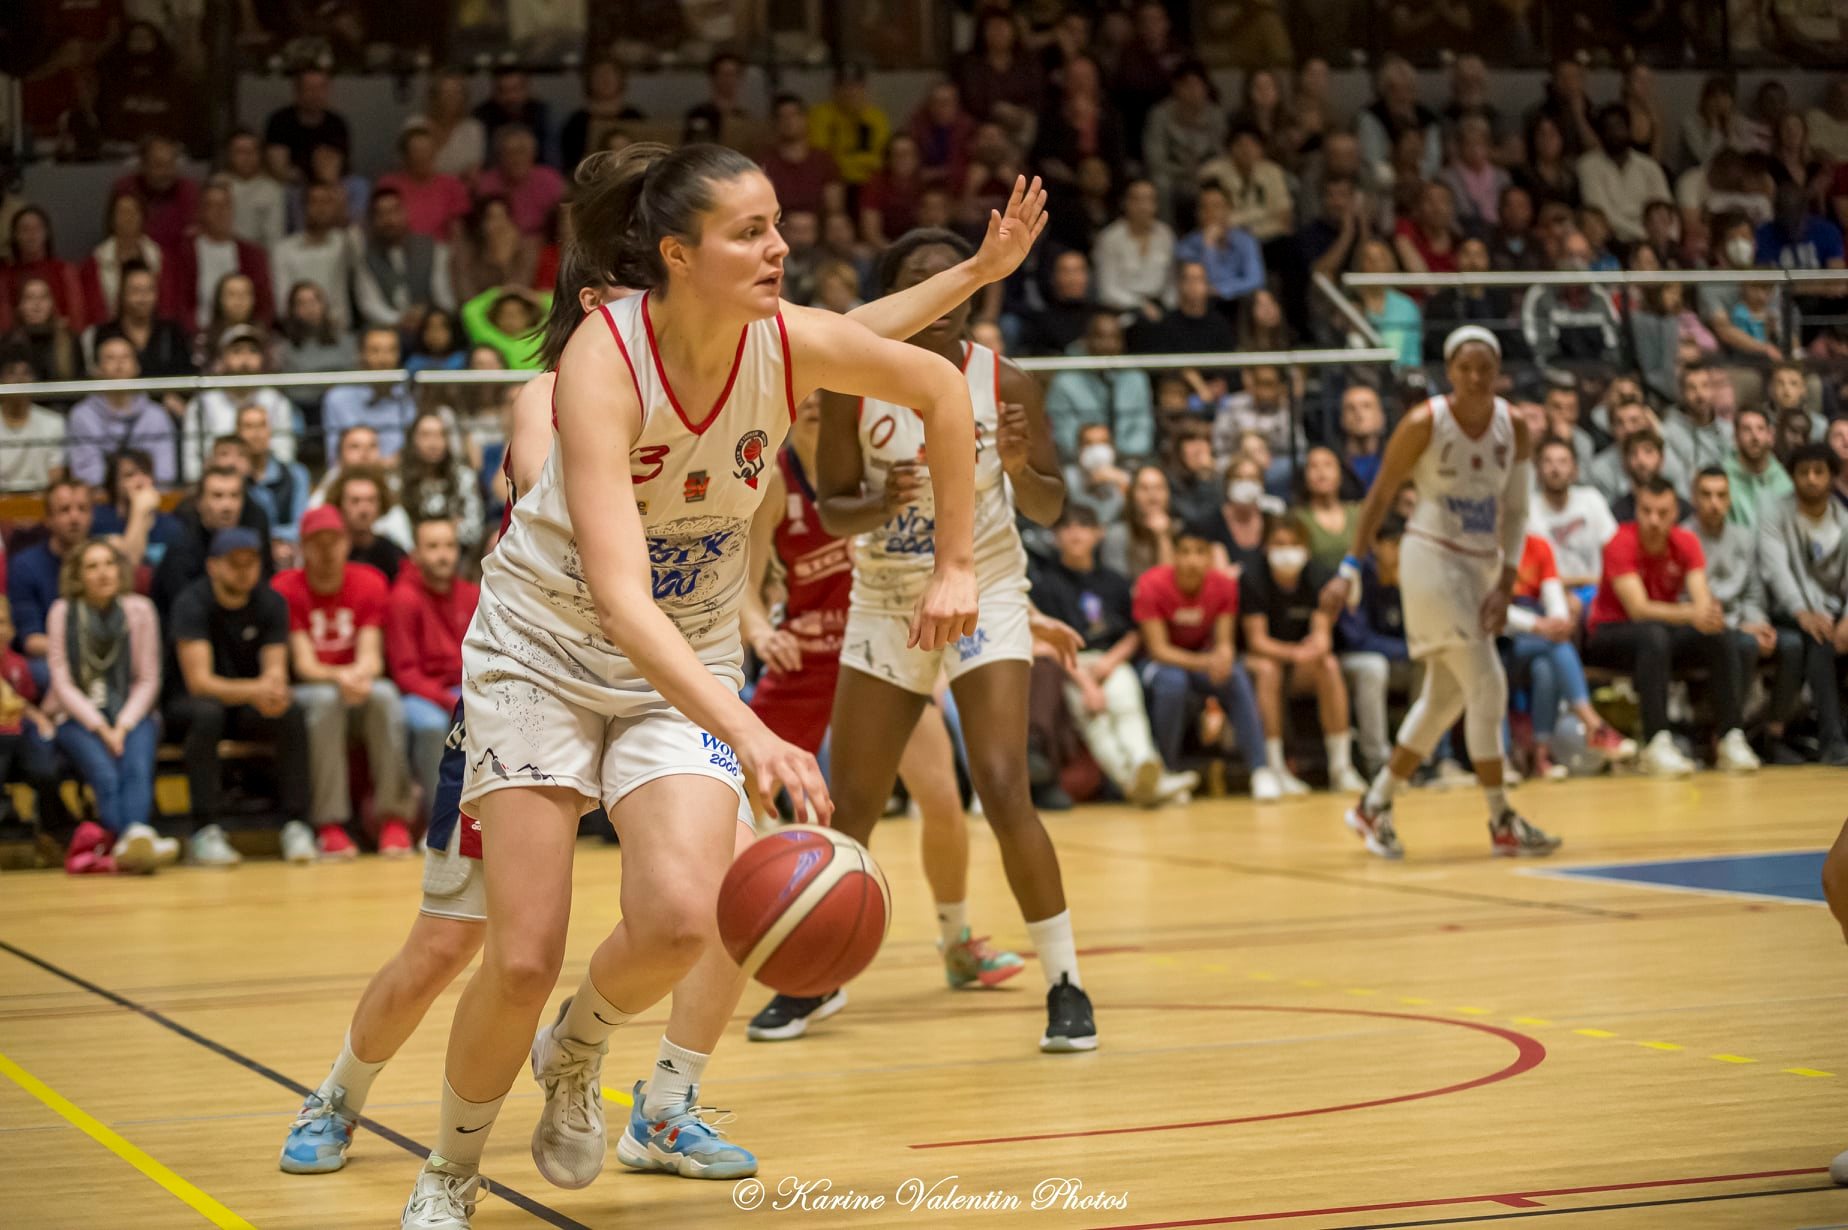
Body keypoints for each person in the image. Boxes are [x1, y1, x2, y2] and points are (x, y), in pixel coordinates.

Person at [399, 150, 1042, 1228]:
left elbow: (934, 381)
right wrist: (753, 733)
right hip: (545, 651)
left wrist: (960, 563)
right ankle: (448, 1174)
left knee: (684, 920)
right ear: (677, 257)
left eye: (779, 224)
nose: (781, 247)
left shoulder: (781, 346)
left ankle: (581, 1046)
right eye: (751, 233)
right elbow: (617, 597)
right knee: (517, 957)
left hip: (682, 656)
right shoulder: (603, 363)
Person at [747, 222, 1093, 1056]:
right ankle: (813, 977)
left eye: (955, 283)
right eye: (922, 283)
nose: (942, 302)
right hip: (889, 600)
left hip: (988, 596)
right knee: (853, 800)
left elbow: (1050, 508)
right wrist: (885, 499)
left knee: (1004, 784)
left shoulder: (1006, 380)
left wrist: (1018, 466)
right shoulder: (854, 389)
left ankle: (1065, 981)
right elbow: (834, 509)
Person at [741, 390, 1026, 1017]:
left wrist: (1026, 615)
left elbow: (961, 561)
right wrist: (760, 631)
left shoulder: (882, 464)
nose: (815, 403)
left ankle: (956, 941)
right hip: (806, 659)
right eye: (804, 394)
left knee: (944, 800)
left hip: (882, 658)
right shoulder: (772, 483)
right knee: (739, 803)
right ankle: (786, 954)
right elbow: (742, 586)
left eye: (827, 393)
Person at [1341, 327, 1562, 861]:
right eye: (1465, 367)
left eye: (1486, 367)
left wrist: (1508, 581)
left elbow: (1516, 511)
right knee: (1487, 683)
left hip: (1480, 566)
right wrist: (1353, 560)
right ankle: (1501, 818)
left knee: (1444, 698)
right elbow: (1380, 493)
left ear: (1498, 371)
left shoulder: (1515, 426)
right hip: (1430, 558)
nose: (1476, 376)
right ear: (1450, 371)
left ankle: (1374, 805)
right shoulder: (1423, 423)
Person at [1582, 477, 1759, 776]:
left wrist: (1706, 616)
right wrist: (1692, 613)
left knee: (1719, 635)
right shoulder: (1619, 542)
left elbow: (1701, 603)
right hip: (1609, 634)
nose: (1653, 520)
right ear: (1636, 511)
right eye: (1646, 511)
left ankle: (1730, 738)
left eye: (1662, 513)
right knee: (1653, 635)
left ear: (1675, 513)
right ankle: (1656, 743)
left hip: (1660, 634)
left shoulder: (1686, 542)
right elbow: (1638, 610)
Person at [272, 505, 412, 859]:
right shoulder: (285, 587)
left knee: (385, 696)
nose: (326, 550)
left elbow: (372, 656)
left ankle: (393, 818)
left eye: (333, 540)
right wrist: (343, 676)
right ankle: (329, 823)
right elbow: (304, 665)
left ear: (346, 543)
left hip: (356, 681)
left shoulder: (368, 581)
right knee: (324, 701)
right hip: (312, 687)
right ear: (302, 547)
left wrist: (358, 674)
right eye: (316, 542)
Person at [165, 527, 310, 866]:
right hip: (187, 704)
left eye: (251, 562)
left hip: (245, 703)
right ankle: (206, 830)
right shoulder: (192, 603)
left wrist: (273, 690)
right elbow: (199, 682)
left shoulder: (271, 602)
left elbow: (274, 670)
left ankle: (296, 824)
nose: (244, 570)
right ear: (213, 566)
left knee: (290, 712)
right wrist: (258, 689)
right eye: (235, 563)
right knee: (207, 714)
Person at [1034, 505, 1195, 806]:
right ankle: (1134, 782)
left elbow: (1134, 632)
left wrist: (1111, 661)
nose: (1075, 533)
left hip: (1112, 660)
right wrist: (1086, 683)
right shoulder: (1046, 584)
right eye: (1066, 528)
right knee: (1094, 716)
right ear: (1055, 537)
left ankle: (1147, 769)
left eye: (1083, 526)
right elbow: (1046, 640)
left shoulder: (1115, 581)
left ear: (1099, 534)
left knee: (1127, 706)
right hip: (1072, 664)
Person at [44, 538, 167, 869]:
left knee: (136, 767)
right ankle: (136, 839)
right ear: (78, 576)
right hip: (76, 717)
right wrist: (101, 727)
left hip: (133, 713)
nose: (102, 573)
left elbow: (148, 678)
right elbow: (62, 681)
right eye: (92, 566)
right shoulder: (61, 612)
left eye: (109, 564)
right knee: (106, 775)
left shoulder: (140, 609)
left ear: (120, 570)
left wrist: (123, 725)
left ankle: (126, 841)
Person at [1134, 522, 1277, 798]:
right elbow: (1158, 650)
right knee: (1172, 682)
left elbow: (1224, 641)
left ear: (1210, 557)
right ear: (1174, 556)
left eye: (1200, 552)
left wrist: (1223, 657)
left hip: (1201, 659)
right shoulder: (1151, 584)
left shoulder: (1223, 585)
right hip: (1157, 664)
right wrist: (1206, 662)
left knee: (1235, 675)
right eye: (1185, 552)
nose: (1192, 560)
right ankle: (1168, 772)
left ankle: (1260, 769)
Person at [1685, 467, 1809, 765]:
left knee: (1791, 644)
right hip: (1704, 628)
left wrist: (1758, 623)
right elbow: (1685, 600)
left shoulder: (1743, 537)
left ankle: (1772, 733)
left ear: (1730, 499)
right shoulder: (1684, 537)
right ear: (1694, 498)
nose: (1714, 502)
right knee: (1743, 644)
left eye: (1721, 495)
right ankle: (1727, 734)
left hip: (1743, 622)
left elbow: (1754, 593)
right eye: (1706, 495)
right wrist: (1743, 628)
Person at [1241, 515, 1364, 793]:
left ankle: (1341, 767)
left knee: (1329, 665)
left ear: (1306, 549)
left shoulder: (1318, 576)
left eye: (1293, 544)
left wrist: (1312, 648)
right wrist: (1295, 652)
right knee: (1267, 669)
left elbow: (1322, 637)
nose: (1286, 551)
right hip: (1260, 662)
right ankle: (1274, 768)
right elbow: (1257, 641)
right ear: (1266, 548)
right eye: (1279, 544)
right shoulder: (1253, 578)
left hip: (1299, 663)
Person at [1503, 532, 1633, 778]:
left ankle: (1542, 758)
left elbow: (1553, 596)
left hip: (1535, 637)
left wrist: (1559, 623)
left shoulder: (1537, 546)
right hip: (1498, 641)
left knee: (1545, 668)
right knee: (1556, 647)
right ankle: (1593, 724)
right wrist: (1538, 626)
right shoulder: (1484, 548)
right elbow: (1492, 608)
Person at [1756, 444, 1848, 766]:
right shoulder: (1775, 516)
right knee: (1819, 643)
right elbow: (1776, 571)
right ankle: (1832, 741)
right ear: (1792, 477)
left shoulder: (1845, 520)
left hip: (1835, 611)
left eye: (1819, 472)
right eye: (1803, 472)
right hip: (1787, 610)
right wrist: (1802, 612)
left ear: (1832, 477)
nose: (1811, 479)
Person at [1528, 437, 1618, 611]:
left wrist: (1588, 587)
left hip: (1597, 591)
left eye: (1562, 462)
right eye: (1548, 462)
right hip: (1546, 594)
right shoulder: (1528, 510)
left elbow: (1613, 548)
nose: (1555, 469)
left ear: (1575, 470)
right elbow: (1532, 574)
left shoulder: (1592, 499)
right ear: (1537, 470)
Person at [0, 349, 66, 494]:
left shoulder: (53, 423)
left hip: (42, 505)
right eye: (11, 373)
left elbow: (56, 476)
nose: (19, 379)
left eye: (26, 373)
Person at [1723, 406, 1794, 529]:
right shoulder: (1723, 480)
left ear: (1770, 436)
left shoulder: (1785, 482)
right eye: (1746, 430)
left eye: (1760, 429)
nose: (1755, 437)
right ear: (1735, 437)